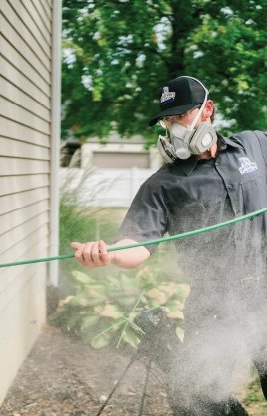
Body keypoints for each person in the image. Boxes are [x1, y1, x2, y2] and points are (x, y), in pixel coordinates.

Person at [71, 76, 267, 415]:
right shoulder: (163, 185)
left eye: (181, 116)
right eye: (167, 120)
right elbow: (136, 245)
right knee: (201, 401)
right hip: (213, 303)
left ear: (207, 110)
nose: (173, 126)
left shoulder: (254, 146)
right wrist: (108, 255)